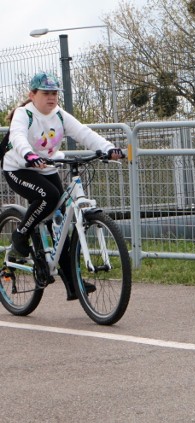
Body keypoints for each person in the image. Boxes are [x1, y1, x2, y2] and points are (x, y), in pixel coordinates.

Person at [3, 71, 124, 300]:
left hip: (48, 167)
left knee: (60, 225)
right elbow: (17, 137)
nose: (52, 98)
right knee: (48, 196)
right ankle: (20, 236)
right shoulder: (24, 113)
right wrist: (29, 154)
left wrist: (109, 148)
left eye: (55, 93)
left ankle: (72, 285)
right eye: (46, 93)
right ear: (32, 94)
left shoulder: (59, 115)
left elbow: (84, 133)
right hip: (19, 168)